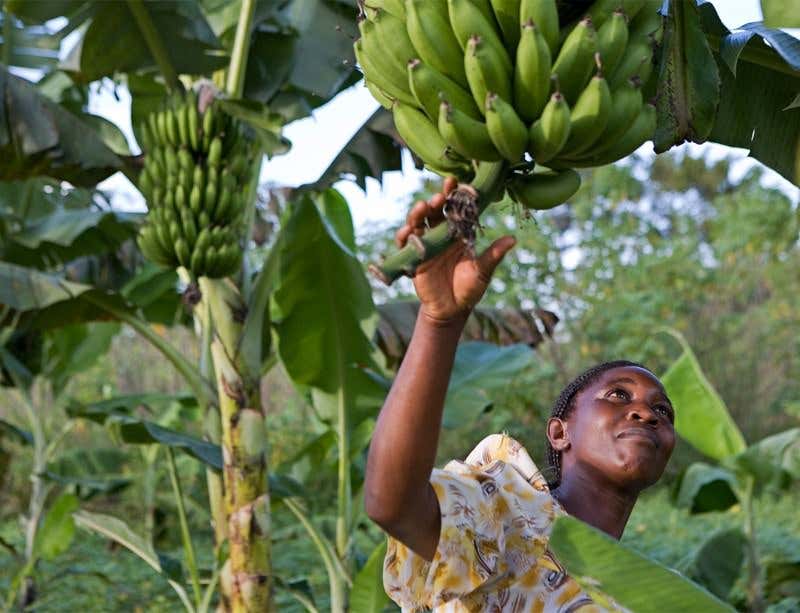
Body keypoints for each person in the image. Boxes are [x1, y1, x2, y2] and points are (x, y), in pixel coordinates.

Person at [364, 179, 677, 612]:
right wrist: (439, 322)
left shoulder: (643, 592)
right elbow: (392, 503)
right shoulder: (507, 510)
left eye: (663, 410)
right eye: (619, 396)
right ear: (559, 432)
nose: (646, 412)